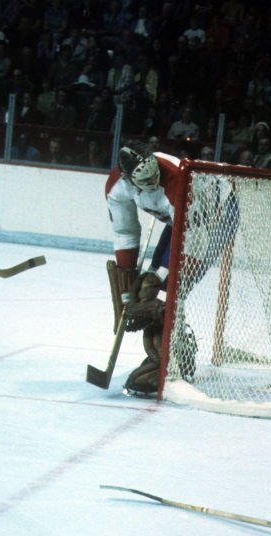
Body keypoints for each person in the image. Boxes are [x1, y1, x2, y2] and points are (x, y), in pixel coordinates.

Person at [104, 143, 184, 396]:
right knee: (146, 293)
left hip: (214, 219)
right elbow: (125, 231)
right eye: (144, 181)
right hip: (178, 222)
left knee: (163, 291)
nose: (152, 182)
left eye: (154, 177)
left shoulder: (178, 180)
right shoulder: (118, 187)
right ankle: (161, 355)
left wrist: (157, 278)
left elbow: (192, 237)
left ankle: (169, 362)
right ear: (128, 178)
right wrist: (127, 282)